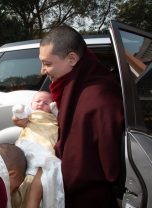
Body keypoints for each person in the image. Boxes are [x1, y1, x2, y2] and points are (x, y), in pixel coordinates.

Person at [37, 25, 124, 207]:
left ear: (72, 59)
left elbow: (110, 162)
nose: (43, 70)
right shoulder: (74, 85)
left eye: (47, 63)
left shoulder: (100, 97)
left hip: (93, 196)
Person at [12, 91, 60, 208]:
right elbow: (18, 116)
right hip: (29, 144)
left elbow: (61, 117)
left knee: (38, 176)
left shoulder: (53, 118)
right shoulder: (30, 115)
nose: (41, 104)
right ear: (31, 104)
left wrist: (56, 111)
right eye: (37, 101)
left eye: (46, 103)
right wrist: (18, 112)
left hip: (45, 149)